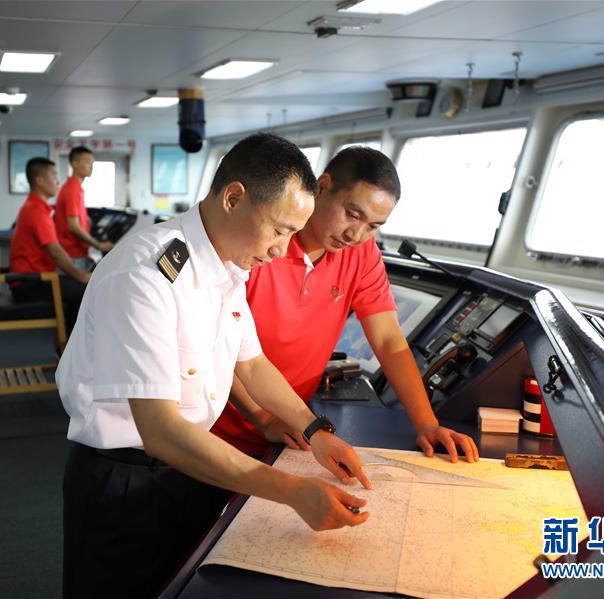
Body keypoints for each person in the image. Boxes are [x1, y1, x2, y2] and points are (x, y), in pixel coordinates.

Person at [57, 133, 373, 599]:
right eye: (279, 229)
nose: (283, 250)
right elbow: (161, 430)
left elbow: (253, 365)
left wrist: (315, 431)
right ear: (234, 198)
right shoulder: (146, 273)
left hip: (186, 470)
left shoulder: (229, 269)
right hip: (125, 481)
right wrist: (290, 490)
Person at [211, 147, 479, 463]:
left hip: (292, 429)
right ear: (322, 187)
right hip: (216, 427)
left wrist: (426, 424)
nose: (356, 234)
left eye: (373, 226)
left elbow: (388, 340)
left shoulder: (362, 253)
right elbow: (215, 347)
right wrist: (263, 418)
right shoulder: (262, 243)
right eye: (352, 214)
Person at [9, 157, 91, 334]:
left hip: (34, 280)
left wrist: (78, 276)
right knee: (88, 290)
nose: (58, 181)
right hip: (30, 284)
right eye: (53, 175)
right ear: (39, 180)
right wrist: (80, 276)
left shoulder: (34, 207)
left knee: (79, 288)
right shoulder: (36, 211)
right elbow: (56, 253)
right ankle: (71, 345)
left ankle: (68, 342)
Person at [54, 146, 114, 269]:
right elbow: (74, 227)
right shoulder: (72, 189)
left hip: (76, 252)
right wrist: (98, 245)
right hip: (72, 254)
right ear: (74, 164)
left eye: (92, 163)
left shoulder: (74, 188)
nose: (91, 166)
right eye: (87, 162)